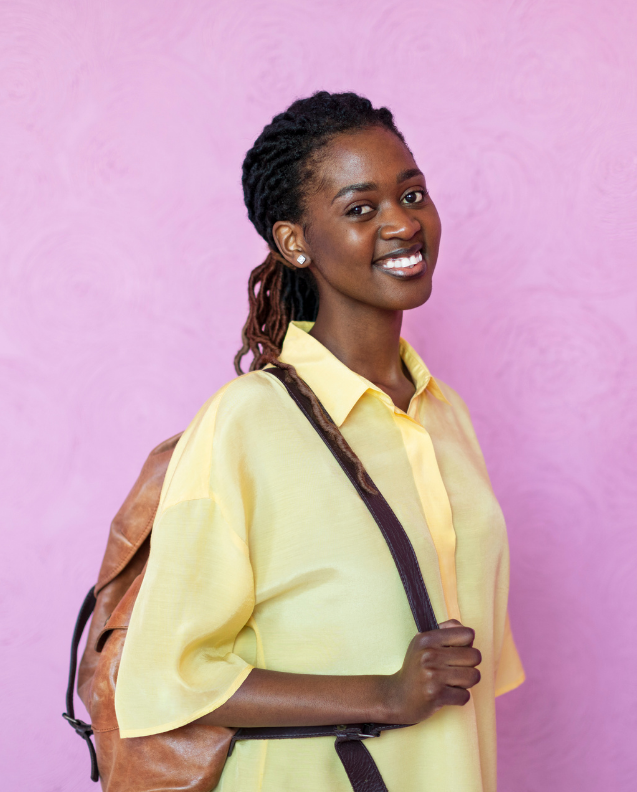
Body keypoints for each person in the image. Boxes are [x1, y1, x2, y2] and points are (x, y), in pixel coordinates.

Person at [114, 91, 523, 792]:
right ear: (295, 241)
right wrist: (383, 695)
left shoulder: (444, 414)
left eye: (413, 193)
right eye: (361, 209)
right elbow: (164, 678)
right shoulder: (245, 423)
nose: (403, 223)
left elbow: (471, 684)